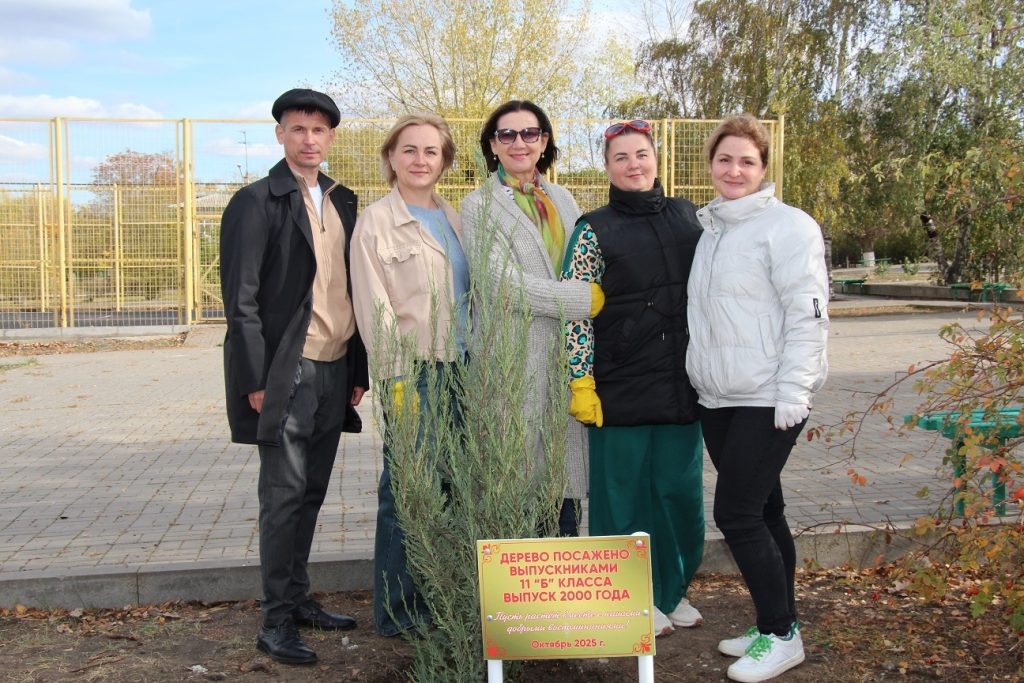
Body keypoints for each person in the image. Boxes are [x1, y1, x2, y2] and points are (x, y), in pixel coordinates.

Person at [220, 88, 369, 666]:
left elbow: (353, 291)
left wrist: (356, 369)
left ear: (331, 138)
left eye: (319, 130)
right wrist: (256, 379)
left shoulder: (344, 200)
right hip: (287, 372)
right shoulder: (256, 203)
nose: (309, 139)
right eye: (297, 128)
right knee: (282, 496)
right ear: (280, 134)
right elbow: (243, 303)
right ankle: (275, 621)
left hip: (335, 368)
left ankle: (300, 597)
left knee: (310, 492)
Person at [686, 114, 828, 683]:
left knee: (736, 513)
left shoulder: (789, 227)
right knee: (766, 510)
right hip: (718, 397)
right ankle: (778, 620)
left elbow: (808, 311)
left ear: (764, 168)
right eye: (725, 160)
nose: (735, 169)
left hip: (769, 396)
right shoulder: (713, 230)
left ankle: (779, 634)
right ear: (711, 166)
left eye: (747, 160)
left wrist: (795, 387)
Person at [560, 119, 705, 638]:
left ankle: (672, 587)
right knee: (622, 499)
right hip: (617, 388)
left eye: (641, 154)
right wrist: (581, 380)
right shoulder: (592, 230)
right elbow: (575, 309)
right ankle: (629, 599)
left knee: (678, 496)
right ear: (607, 166)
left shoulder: (692, 218)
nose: (633, 164)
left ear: (656, 159)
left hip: (683, 386)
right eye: (621, 157)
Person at [349, 113, 468, 636]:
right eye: (409, 150)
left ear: (445, 161)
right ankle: (399, 613)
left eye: (431, 151)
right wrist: (397, 385)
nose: (420, 160)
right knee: (405, 487)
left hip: (464, 371)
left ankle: (442, 597)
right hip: (412, 372)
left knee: (452, 486)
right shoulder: (375, 222)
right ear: (390, 158)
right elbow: (373, 308)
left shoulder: (458, 218)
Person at [460, 100, 602, 536]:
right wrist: (581, 301)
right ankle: (517, 596)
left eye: (530, 133)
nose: (519, 142)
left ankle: (560, 588)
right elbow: (502, 285)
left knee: (565, 480)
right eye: (508, 134)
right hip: (512, 360)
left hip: (565, 359)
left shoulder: (562, 197)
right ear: (492, 145)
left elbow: (582, 261)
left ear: (544, 141)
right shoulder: (478, 206)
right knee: (515, 479)